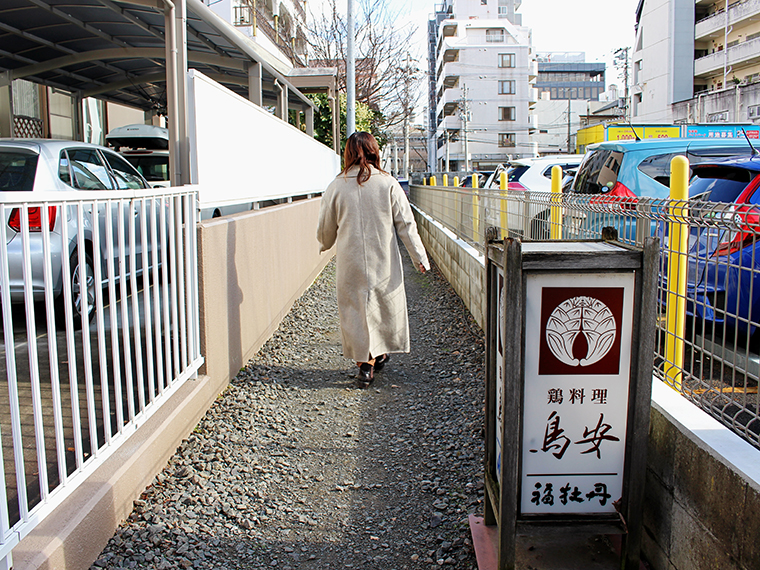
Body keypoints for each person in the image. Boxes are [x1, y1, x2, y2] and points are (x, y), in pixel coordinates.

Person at [317, 132, 430, 387]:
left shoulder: (336, 185)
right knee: (380, 308)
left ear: (347, 154)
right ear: (373, 151)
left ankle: (364, 364)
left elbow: (326, 229)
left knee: (355, 310)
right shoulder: (388, 183)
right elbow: (406, 224)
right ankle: (376, 356)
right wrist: (419, 258)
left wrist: (323, 245)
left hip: (350, 261)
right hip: (383, 259)